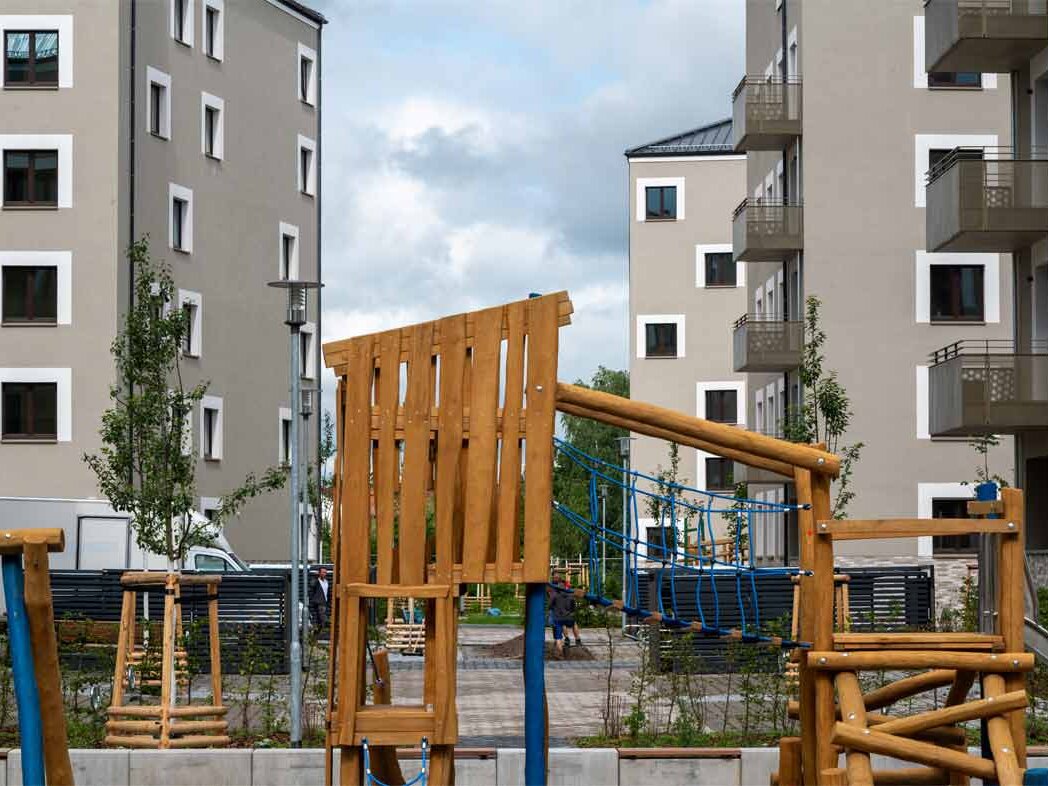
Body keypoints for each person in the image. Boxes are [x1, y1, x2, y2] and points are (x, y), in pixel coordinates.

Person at [549, 572, 577, 657]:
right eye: (555, 577)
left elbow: (550, 605)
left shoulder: (554, 591)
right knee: (573, 623)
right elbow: (573, 607)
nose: (556, 578)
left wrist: (551, 608)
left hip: (557, 616)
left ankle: (560, 652)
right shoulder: (570, 595)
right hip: (567, 616)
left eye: (557, 577)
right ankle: (576, 638)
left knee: (558, 634)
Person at [309, 566, 331, 631]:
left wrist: (329, 601)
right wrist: (316, 577)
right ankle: (326, 627)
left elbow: (328, 592)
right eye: (323, 572)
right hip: (318, 602)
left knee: (320, 618)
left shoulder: (326, 582)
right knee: (322, 616)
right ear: (319, 573)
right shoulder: (316, 581)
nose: (324, 574)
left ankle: (319, 630)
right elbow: (312, 585)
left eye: (325, 572)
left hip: (325, 602)